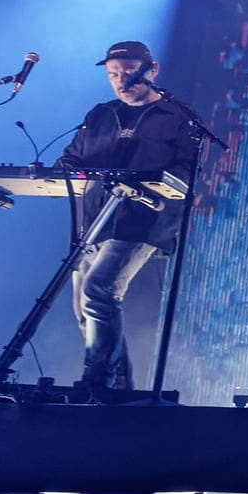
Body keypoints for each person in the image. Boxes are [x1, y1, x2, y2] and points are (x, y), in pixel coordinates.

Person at [54, 40, 200, 401]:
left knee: (99, 290)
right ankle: (120, 386)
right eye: (112, 74)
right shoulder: (100, 115)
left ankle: (98, 381)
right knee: (85, 309)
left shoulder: (178, 117)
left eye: (127, 72)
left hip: (143, 222)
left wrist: (152, 187)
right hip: (95, 223)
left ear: (152, 70)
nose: (120, 80)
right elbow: (71, 159)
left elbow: (185, 173)